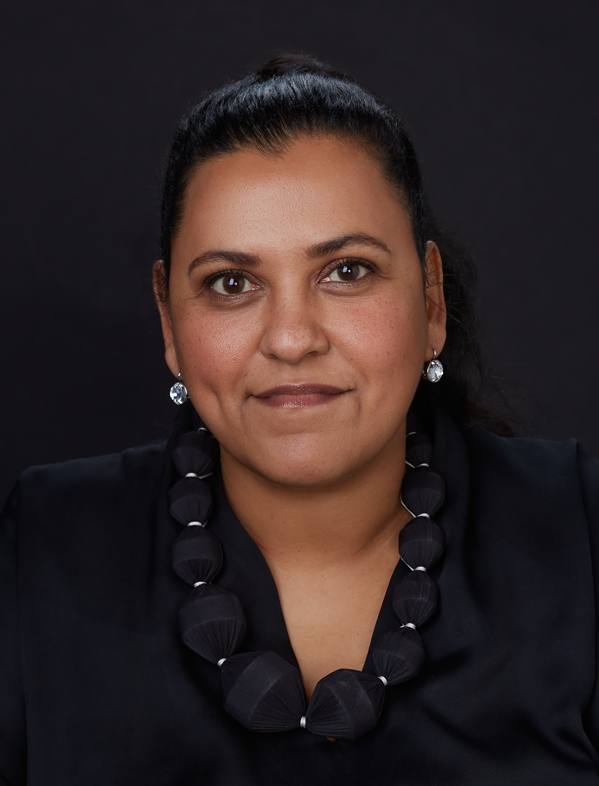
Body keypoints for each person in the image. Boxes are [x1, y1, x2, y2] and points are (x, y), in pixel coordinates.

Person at [1, 53, 599, 785]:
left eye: (347, 271)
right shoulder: (43, 546)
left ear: (431, 299)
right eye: (232, 283)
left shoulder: (581, 532)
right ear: (168, 319)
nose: (290, 338)